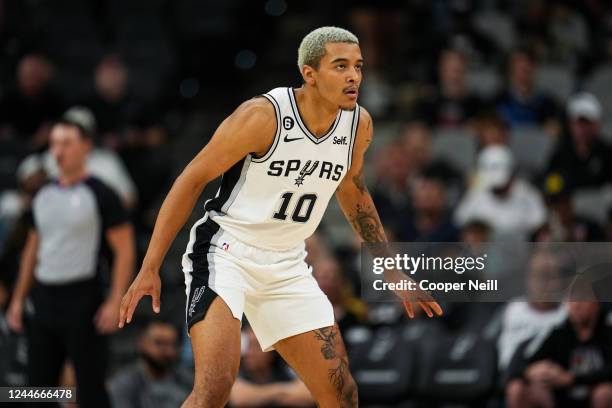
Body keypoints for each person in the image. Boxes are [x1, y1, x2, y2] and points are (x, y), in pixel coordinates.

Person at [118, 26, 442, 408]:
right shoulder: (263, 117)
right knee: (215, 389)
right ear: (310, 73)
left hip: (287, 262)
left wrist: (390, 268)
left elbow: (354, 193)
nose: (354, 76)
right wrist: (151, 264)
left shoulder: (359, 126)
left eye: (358, 66)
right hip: (226, 252)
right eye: (340, 66)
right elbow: (190, 181)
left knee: (343, 394)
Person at [5, 118, 135, 407]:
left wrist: (115, 300)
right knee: (38, 390)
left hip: (83, 299)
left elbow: (125, 250)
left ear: (85, 147)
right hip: (44, 299)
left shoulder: (101, 193)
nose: (59, 151)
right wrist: (18, 298)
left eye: (66, 143)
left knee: (90, 389)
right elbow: (32, 250)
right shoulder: (43, 194)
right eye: (54, 144)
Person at [506, 299, 612, 408]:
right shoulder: (558, 332)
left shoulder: (607, 333)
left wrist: (571, 378)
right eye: (571, 300)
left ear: (597, 304)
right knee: (518, 388)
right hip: (561, 397)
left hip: (593, 394)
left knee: (604, 393)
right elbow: (523, 361)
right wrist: (531, 371)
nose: (576, 305)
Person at [454, 145, 546, 238]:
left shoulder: (528, 194)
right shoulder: (476, 192)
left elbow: (540, 226)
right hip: (484, 249)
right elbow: (460, 221)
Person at [109, 319, 191, 408]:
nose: (167, 351)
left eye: (172, 344)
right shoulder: (123, 384)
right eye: (159, 343)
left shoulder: (188, 381)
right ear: (142, 343)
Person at [230, 326, 314, 407]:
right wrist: (283, 393)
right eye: (246, 345)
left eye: (255, 346)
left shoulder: (283, 368)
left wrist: (257, 395)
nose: (249, 353)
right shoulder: (237, 370)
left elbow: (309, 394)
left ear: (271, 350)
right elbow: (239, 398)